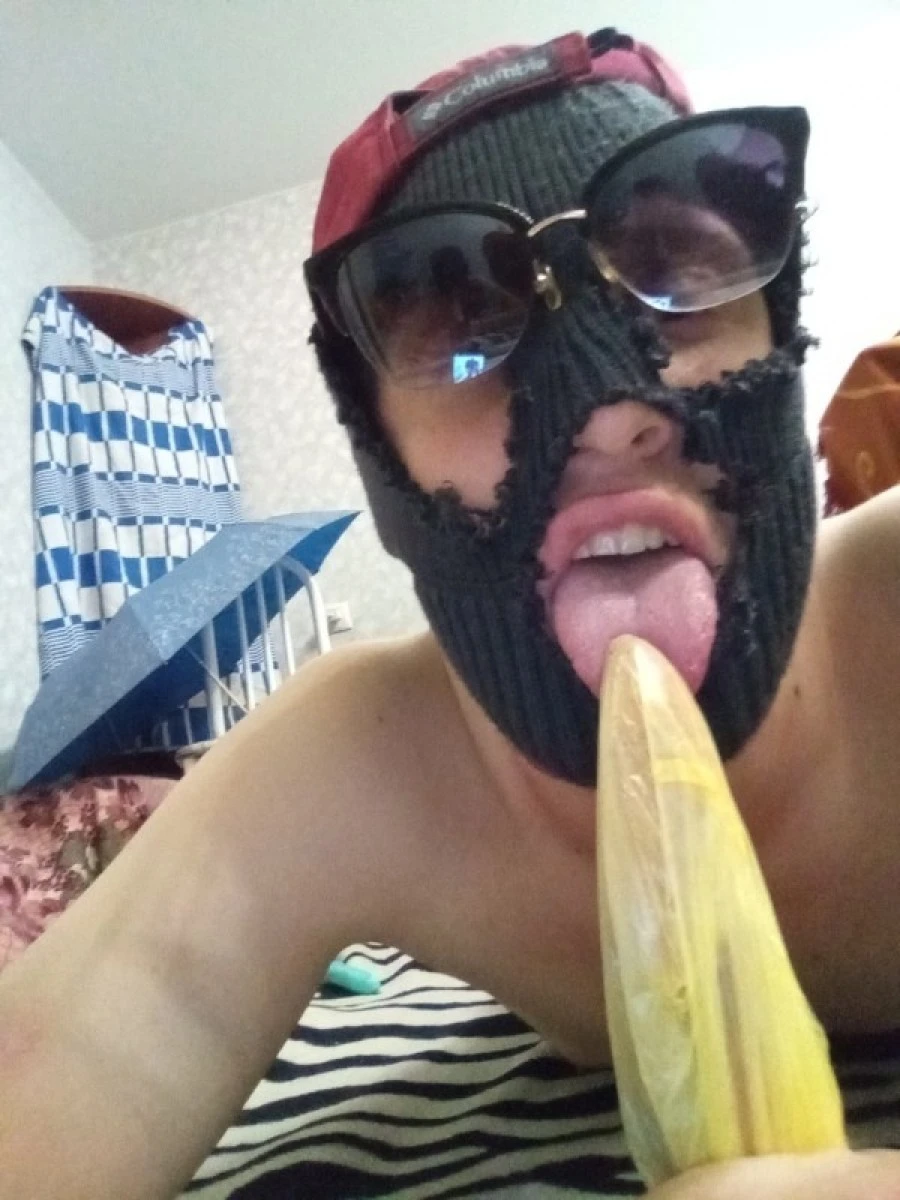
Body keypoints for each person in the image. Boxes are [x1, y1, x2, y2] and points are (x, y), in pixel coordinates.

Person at [1, 25, 899, 1200]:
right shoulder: (359, 762)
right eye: (462, 329)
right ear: (380, 459)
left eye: (681, 273)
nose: (609, 415)